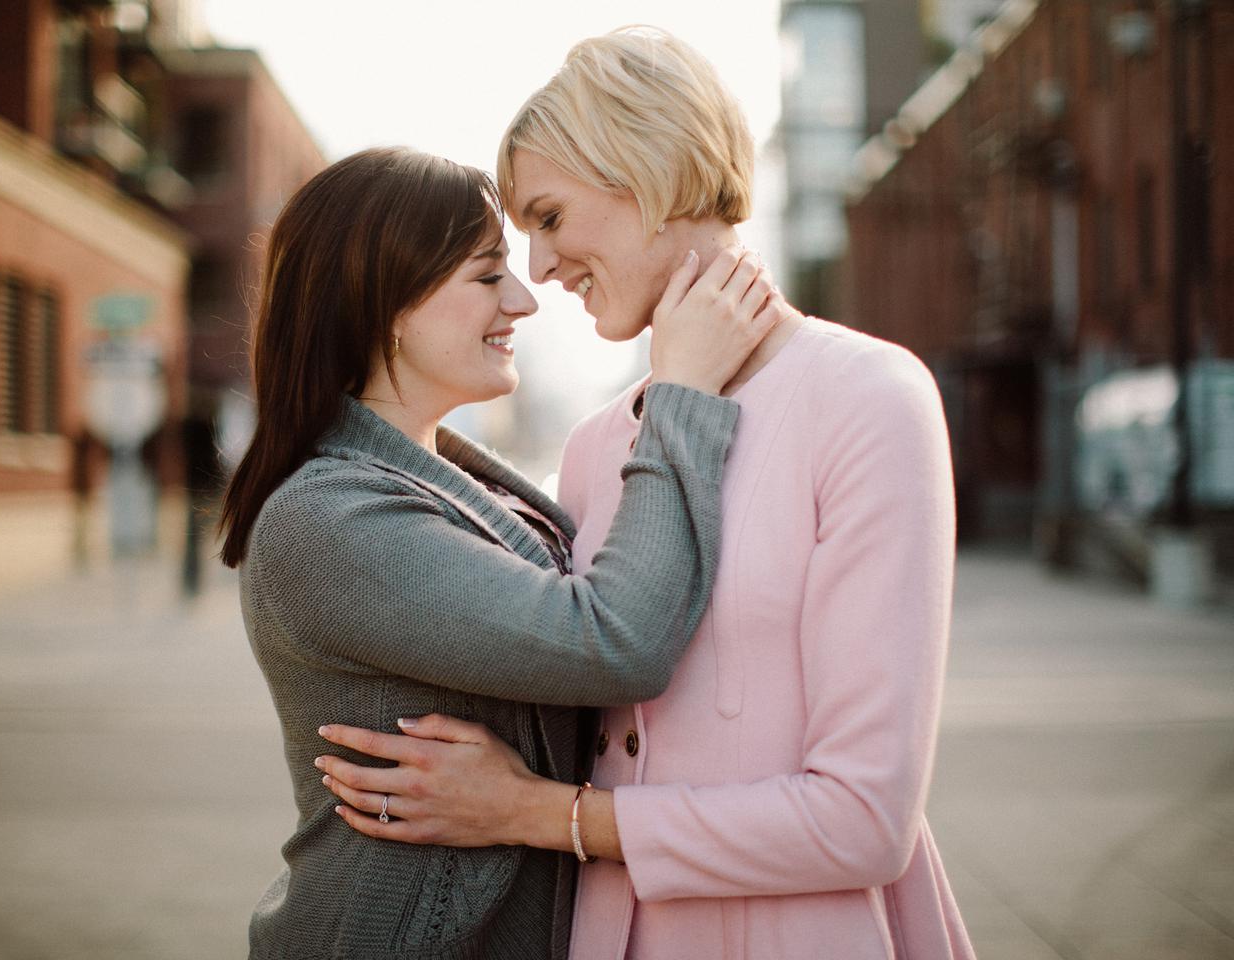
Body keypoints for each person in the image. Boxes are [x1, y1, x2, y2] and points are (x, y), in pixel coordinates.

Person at [317, 29, 976, 960]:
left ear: (647, 171)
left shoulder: (869, 398)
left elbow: (865, 818)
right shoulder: (597, 447)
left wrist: (538, 813)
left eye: (550, 217)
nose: (541, 268)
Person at [219, 145, 782, 959]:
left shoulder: (450, 482)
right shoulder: (327, 520)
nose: (523, 298)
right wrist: (683, 392)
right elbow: (613, 640)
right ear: (385, 306)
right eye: (488, 276)